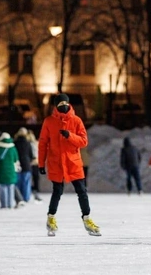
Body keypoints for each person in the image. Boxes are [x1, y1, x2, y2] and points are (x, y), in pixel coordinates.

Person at [38, 93, 100, 237]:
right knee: (57, 191)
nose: (63, 107)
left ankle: (87, 218)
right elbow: (43, 144)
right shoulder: (49, 122)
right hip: (56, 163)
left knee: (82, 191)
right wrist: (41, 163)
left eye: (65, 104)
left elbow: (84, 141)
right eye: (60, 105)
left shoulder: (76, 120)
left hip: (73, 163)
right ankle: (51, 218)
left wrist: (70, 135)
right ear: (55, 106)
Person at [0, 132, 19, 209]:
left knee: (2, 187)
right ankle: (10, 204)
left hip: (1, 171)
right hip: (11, 171)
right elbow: (16, 159)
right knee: (11, 187)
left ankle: (4, 205)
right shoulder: (13, 148)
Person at [14, 127, 34, 204]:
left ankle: (19, 198)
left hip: (17, 165)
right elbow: (31, 155)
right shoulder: (28, 143)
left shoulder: (14, 143)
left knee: (18, 183)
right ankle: (26, 198)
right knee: (26, 183)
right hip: (26, 165)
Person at [27, 129, 43, 202]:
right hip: (35, 163)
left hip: (32, 163)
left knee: (30, 179)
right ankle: (35, 192)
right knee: (35, 179)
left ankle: (32, 191)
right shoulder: (35, 143)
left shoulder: (30, 143)